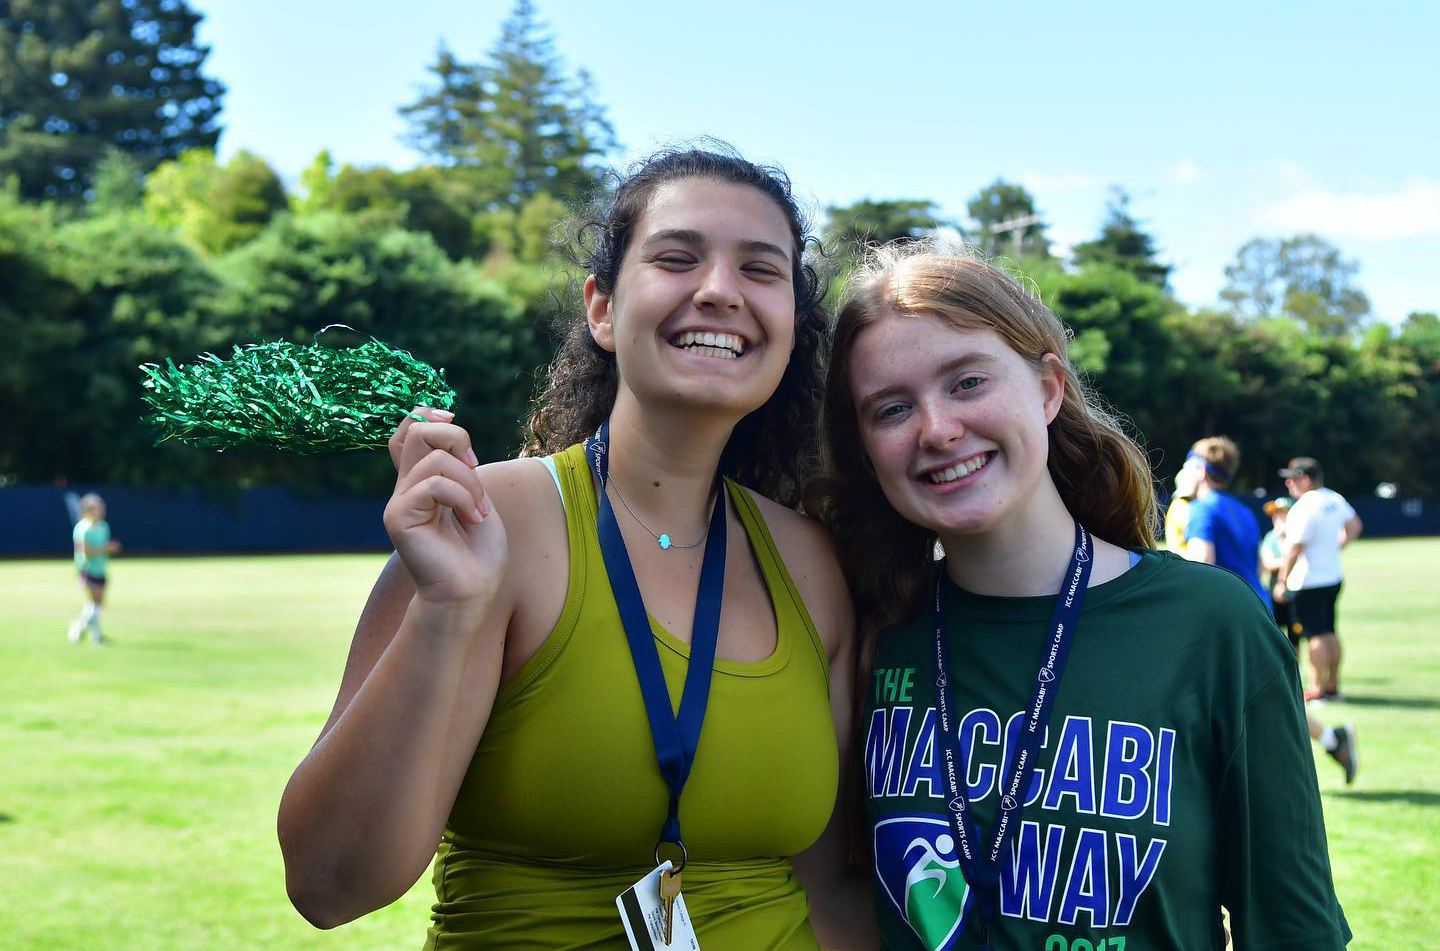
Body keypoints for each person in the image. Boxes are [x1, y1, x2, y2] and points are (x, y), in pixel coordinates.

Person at [277, 148, 873, 950]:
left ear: (793, 330)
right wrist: (449, 611)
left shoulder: (810, 562)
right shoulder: (490, 520)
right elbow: (328, 883)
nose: (721, 290)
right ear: (601, 307)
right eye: (676, 257)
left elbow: (828, 887)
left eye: (761, 270)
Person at [806, 245, 1350, 950]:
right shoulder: (873, 630)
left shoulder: (1211, 626)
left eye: (967, 381)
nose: (936, 429)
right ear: (866, 445)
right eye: (892, 407)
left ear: (1048, 387)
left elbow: (1294, 930)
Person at [1276, 457, 1362, 702]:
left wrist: (1282, 580)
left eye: (1292, 478)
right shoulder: (1333, 498)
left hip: (1308, 580)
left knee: (1315, 636)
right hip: (1333, 576)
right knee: (1330, 632)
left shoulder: (1305, 506)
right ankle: (1332, 686)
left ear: (1305, 478)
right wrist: (1338, 546)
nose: (1289, 484)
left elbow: (1294, 548)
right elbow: (1355, 525)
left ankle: (1317, 688)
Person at [1178, 436, 1269, 607]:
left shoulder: (1202, 508)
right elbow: (1258, 566)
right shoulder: (1245, 511)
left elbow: (1201, 564)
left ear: (1201, 470)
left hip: (1228, 609)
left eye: (1188, 466)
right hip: (1258, 604)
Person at [68, 493, 119, 645]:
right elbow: (87, 552)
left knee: (96, 604)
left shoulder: (104, 526)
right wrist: (106, 547)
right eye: (97, 508)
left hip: (100, 569)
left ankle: (79, 628)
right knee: (94, 602)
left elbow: (102, 550)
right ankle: (96, 636)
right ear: (88, 510)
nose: (102, 510)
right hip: (87, 569)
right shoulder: (82, 528)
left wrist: (108, 549)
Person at [1259, 496, 1295, 645]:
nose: (1277, 517)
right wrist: (1291, 559)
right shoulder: (1270, 537)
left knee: (1296, 636)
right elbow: (1268, 563)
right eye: (1275, 513)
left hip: (1296, 594)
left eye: (1282, 513)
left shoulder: (1297, 536)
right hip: (1275, 593)